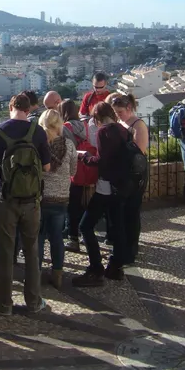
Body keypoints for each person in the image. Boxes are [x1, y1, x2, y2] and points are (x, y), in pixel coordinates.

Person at [0, 94, 51, 316]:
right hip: (32, 200)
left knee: (6, 251)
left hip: (6, 199)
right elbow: (48, 167)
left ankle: (4, 305)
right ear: (28, 108)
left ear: (11, 106)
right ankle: (33, 302)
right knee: (32, 251)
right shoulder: (38, 131)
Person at [72, 102, 129, 287]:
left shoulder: (103, 132)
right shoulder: (123, 129)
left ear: (96, 118)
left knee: (85, 225)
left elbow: (102, 162)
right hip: (121, 185)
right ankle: (116, 267)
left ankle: (96, 269)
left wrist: (84, 157)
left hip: (105, 186)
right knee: (118, 225)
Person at [37, 109, 77, 290]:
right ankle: (58, 274)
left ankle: (35, 273)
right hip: (61, 197)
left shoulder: (39, 145)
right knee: (57, 238)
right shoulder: (69, 145)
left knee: (37, 238)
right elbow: (73, 172)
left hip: (41, 197)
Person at [111, 93, 149, 265]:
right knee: (121, 212)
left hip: (135, 175)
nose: (117, 115)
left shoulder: (138, 125)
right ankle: (122, 246)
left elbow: (139, 153)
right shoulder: (121, 122)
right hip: (122, 173)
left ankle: (131, 249)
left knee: (132, 212)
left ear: (128, 108)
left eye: (120, 112)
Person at [60, 100, 97, 254]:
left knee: (72, 206)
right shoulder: (87, 125)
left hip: (73, 172)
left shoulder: (65, 128)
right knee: (86, 204)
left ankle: (73, 237)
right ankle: (85, 235)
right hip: (88, 168)